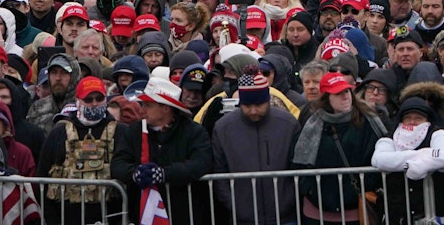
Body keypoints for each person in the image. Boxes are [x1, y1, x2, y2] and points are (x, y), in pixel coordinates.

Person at [111, 68, 214, 225]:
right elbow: (118, 164)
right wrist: (135, 173)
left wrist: (164, 174)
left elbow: (201, 163)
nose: (142, 109)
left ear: (166, 108)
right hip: (142, 214)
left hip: (184, 213)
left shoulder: (193, 132)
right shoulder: (134, 131)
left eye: (148, 105)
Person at [291, 72, 388, 225]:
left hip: (356, 211)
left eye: (347, 91)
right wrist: (311, 190)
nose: (345, 96)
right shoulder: (312, 124)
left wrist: (361, 189)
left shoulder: (368, 121)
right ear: (326, 98)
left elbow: (378, 158)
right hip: (316, 212)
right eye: (338, 93)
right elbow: (300, 164)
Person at [211, 65, 301, 225]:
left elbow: (299, 167)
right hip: (243, 217)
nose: (253, 111)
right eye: (247, 105)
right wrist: (234, 205)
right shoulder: (223, 128)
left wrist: (289, 200)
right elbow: (219, 171)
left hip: (284, 215)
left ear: (267, 100)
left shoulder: (288, 124)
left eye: (258, 105)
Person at [37, 74, 122, 225]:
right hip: (67, 217)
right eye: (88, 100)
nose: (94, 104)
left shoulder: (121, 131)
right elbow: (42, 176)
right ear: (78, 101)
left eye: (99, 98)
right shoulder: (59, 133)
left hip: (110, 216)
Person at [370, 87, 444, 225]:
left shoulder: (437, 133)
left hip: (433, 214)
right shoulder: (392, 135)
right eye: (408, 118)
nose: (412, 122)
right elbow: (379, 159)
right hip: (397, 215)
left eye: (418, 118)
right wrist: (424, 155)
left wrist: (420, 164)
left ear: (427, 119)